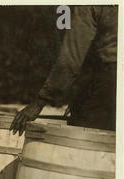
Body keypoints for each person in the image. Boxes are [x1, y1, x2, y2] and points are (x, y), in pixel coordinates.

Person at [10, 5, 118, 135]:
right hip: (107, 77)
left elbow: (70, 60)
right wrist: (81, 95)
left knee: (83, 137)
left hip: (111, 82)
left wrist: (39, 102)